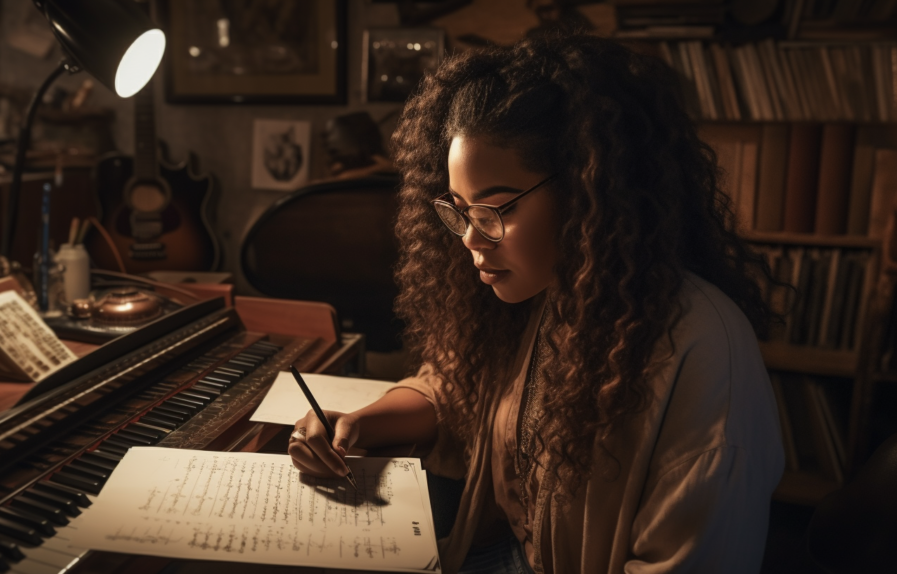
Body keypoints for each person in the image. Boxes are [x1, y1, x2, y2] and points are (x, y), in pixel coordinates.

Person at [288, 29, 784, 574]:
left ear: (589, 190)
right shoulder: (547, 290)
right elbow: (453, 384)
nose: (471, 239)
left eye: (495, 209)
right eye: (458, 210)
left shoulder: (703, 351)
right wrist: (360, 425)